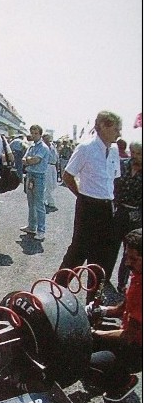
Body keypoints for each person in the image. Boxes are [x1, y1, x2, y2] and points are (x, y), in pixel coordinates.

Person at [56, 111, 122, 301]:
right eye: (116, 128)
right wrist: (81, 196)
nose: (119, 133)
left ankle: (93, 306)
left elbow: (114, 180)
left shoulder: (115, 150)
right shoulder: (86, 148)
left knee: (102, 259)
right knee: (78, 253)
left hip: (107, 207)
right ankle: (55, 295)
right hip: (88, 205)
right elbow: (68, 175)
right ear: (102, 125)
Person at [85, 229, 142, 402]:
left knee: (85, 363)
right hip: (132, 337)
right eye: (126, 257)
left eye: (133, 259)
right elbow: (124, 307)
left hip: (138, 348)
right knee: (83, 341)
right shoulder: (139, 274)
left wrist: (93, 334)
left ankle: (124, 381)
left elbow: (127, 337)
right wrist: (101, 310)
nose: (127, 263)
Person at [110, 140, 142, 292]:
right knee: (111, 246)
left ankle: (121, 284)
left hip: (136, 215)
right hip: (120, 211)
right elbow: (113, 185)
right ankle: (103, 279)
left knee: (128, 252)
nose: (136, 157)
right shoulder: (122, 165)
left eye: (140, 154)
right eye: (134, 152)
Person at [19, 125, 51, 241]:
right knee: (31, 203)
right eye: (32, 133)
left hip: (38, 177)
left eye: (36, 133)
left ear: (40, 134)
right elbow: (24, 160)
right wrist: (29, 161)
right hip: (30, 175)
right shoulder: (31, 146)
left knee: (39, 204)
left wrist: (28, 160)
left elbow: (35, 160)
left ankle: (41, 230)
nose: (33, 135)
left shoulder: (43, 147)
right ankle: (31, 226)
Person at [42, 132, 58, 210]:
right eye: (46, 138)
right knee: (49, 184)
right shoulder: (42, 146)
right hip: (47, 165)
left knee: (54, 184)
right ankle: (49, 201)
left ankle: (45, 200)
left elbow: (56, 156)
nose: (48, 139)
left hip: (53, 165)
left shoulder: (52, 145)